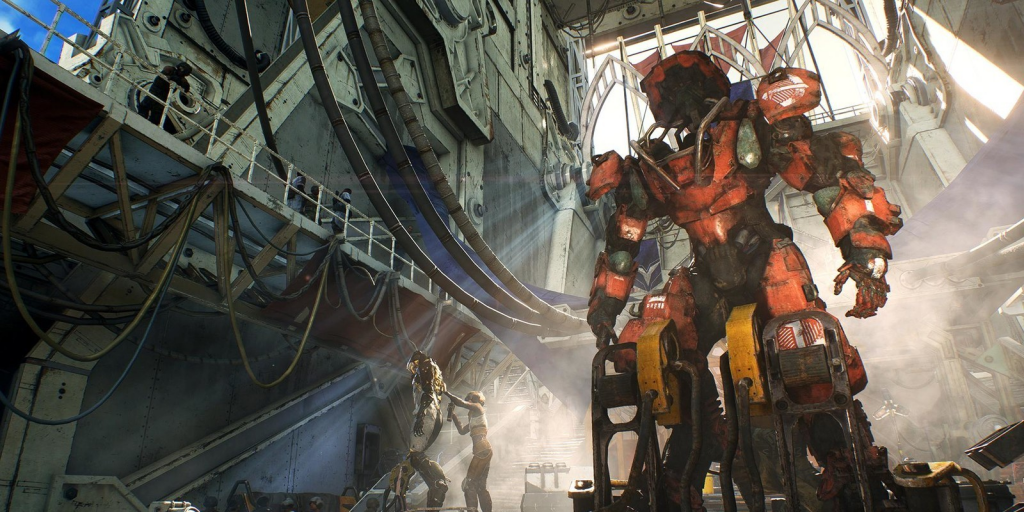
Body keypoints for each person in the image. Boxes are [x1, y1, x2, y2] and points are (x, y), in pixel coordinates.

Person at [585, 51, 902, 511]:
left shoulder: (749, 128)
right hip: (705, 275)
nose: (682, 101)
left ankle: (848, 467)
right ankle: (682, 470)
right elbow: (622, 246)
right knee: (655, 353)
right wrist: (605, 311)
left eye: (689, 88)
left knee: (806, 353)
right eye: (671, 93)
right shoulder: (650, 168)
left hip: (766, 259)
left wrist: (864, 252)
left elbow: (827, 179)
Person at [406, 350, 449, 508]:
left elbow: (428, 391)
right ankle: (436, 485)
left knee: (415, 455)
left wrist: (421, 415)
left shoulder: (424, 367)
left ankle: (438, 482)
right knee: (416, 456)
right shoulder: (431, 369)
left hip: (427, 412)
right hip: (433, 412)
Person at [447, 391, 493, 512]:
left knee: (469, 484)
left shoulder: (478, 407)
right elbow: (462, 431)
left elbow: (461, 403)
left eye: (470, 399)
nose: (469, 401)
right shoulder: (475, 417)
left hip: (481, 451)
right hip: (484, 450)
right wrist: (453, 415)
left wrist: (446, 392)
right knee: (480, 486)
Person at [137, 62, 192, 133]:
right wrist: (173, 78)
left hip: (162, 99)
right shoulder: (169, 69)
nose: (181, 71)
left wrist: (178, 81)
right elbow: (164, 76)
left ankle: (146, 129)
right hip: (154, 93)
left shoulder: (182, 80)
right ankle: (140, 124)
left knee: (155, 117)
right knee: (144, 108)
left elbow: (186, 88)